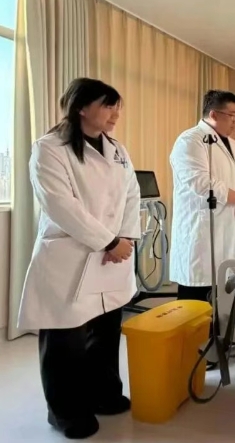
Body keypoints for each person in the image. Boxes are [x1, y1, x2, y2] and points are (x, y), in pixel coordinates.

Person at [19, 78, 140, 439]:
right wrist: (108, 240)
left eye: (118, 106)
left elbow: (131, 194)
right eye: (108, 105)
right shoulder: (49, 148)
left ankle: (104, 394)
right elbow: (61, 205)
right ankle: (66, 413)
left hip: (111, 257)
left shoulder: (117, 149)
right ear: (82, 107)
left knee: (105, 333)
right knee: (65, 342)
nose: (116, 113)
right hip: (70, 257)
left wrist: (125, 237)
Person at [170, 90, 235, 302]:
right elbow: (201, 182)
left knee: (227, 298)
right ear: (213, 114)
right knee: (197, 303)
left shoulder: (234, 145)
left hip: (232, 231)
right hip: (204, 234)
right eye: (232, 115)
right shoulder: (190, 140)